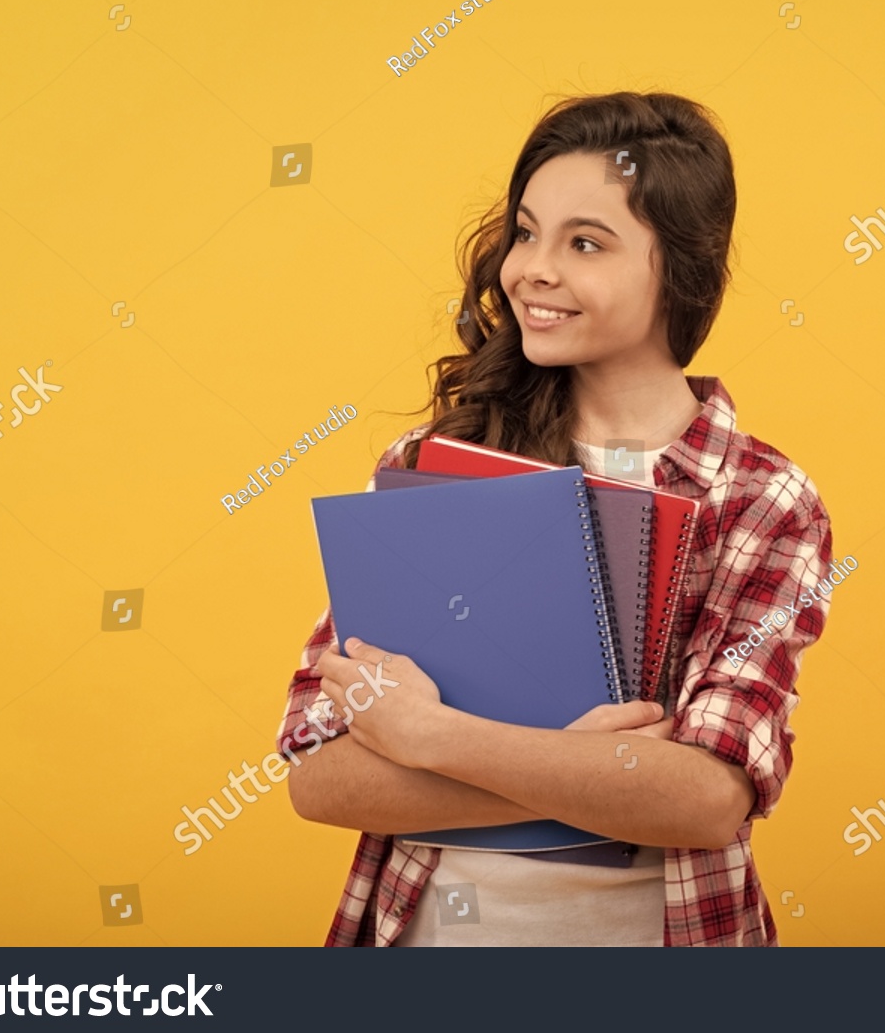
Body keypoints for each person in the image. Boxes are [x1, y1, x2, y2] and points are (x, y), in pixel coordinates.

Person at [276, 91, 835, 946]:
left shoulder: (761, 498)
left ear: (680, 271)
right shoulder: (433, 464)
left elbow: (709, 799)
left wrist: (429, 736)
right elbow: (320, 776)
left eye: (585, 243)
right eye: (526, 231)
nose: (532, 268)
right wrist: (607, 776)